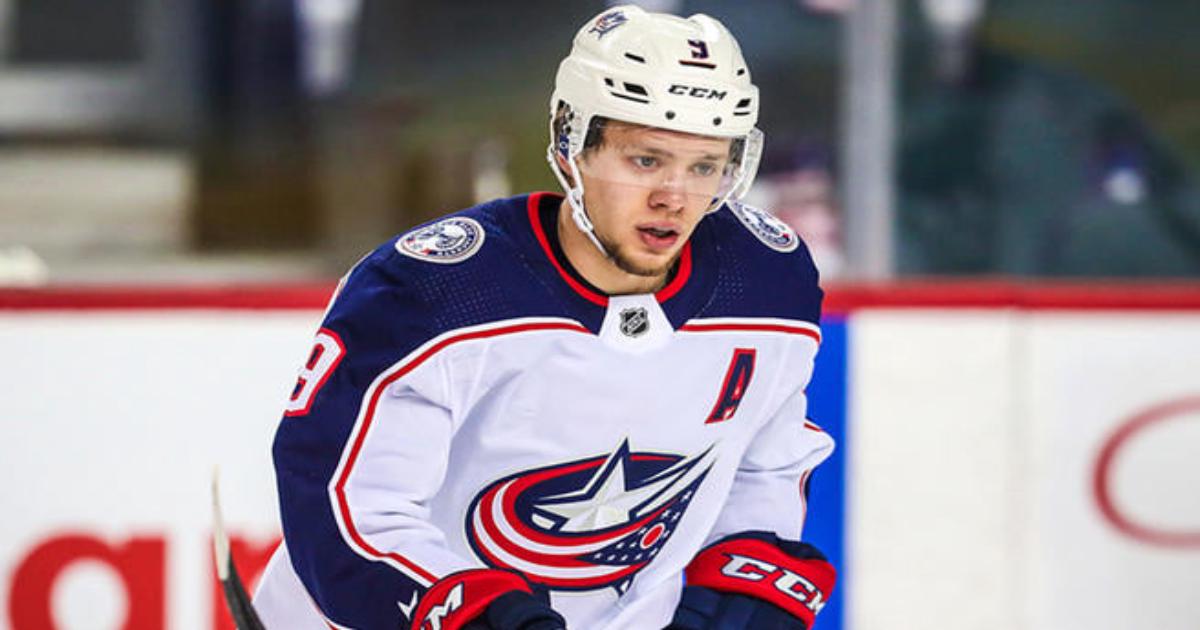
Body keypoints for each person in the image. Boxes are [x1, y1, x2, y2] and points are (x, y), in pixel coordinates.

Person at [252, 6, 836, 629]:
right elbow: (348, 505)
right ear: (570, 142)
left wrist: (745, 569)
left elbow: (763, 465)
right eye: (646, 160)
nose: (675, 197)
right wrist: (468, 611)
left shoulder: (765, 283)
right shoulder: (434, 292)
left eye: (704, 167)